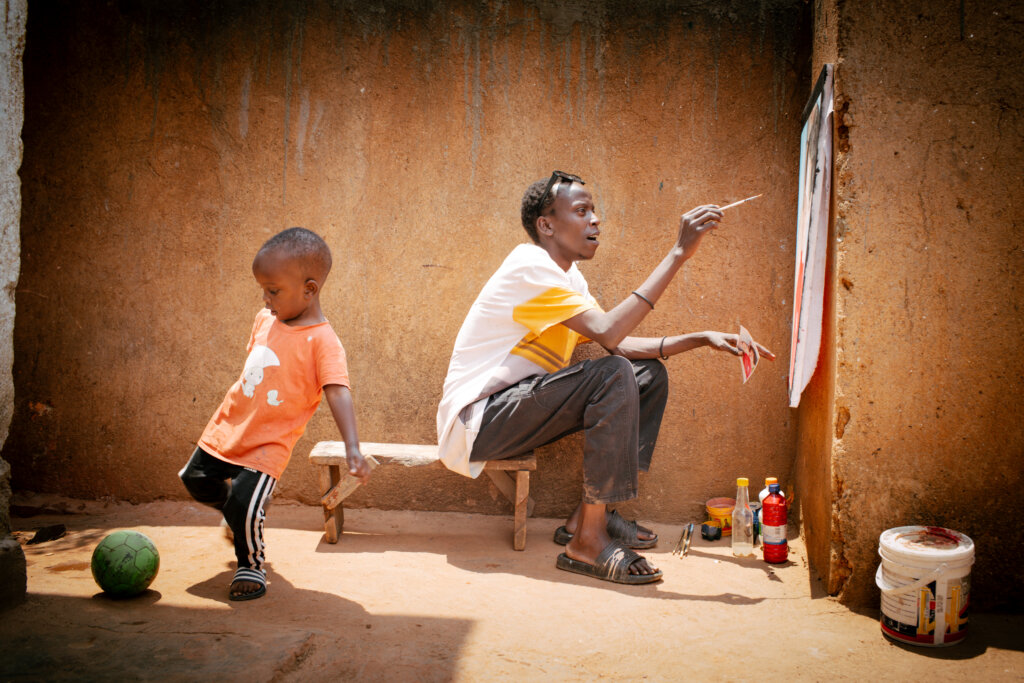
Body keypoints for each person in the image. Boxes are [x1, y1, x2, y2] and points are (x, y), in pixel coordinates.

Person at [436, 172, 774, 585]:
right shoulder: (529, 266)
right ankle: (586, 544)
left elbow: (618, 342)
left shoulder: (569, 279)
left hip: (518, 410)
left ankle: (587, 517)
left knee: (646, 375)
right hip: (480, 422)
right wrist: (678, 253)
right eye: (581, 211)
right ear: (546, 225)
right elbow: (611, 334)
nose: (595, 220)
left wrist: (702, 338)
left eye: (593, 211)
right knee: (614, 375)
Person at [179, 227, 371, 601]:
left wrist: (353, 446)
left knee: (245, 507)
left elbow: (337, 390)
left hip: (269, 443)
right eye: (263, 289)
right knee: (195, 480)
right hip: (228, 428)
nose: (265, 298)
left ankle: (250, 562)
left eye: (274, 290)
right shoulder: (264, 320)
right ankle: (242, 511)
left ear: (310, 289)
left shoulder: (324, 342)